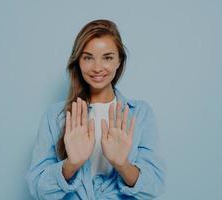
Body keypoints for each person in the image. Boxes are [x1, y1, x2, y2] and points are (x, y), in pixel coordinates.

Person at [25, 19, 166, 200]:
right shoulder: (55, 116)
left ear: (119, 61)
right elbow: (38, 189)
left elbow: (153, 188)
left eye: (107, 57)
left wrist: (122, 164)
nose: (97, 68)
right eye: (88, 57)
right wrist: (71, 164)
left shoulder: (140, 113)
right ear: (78, 62)